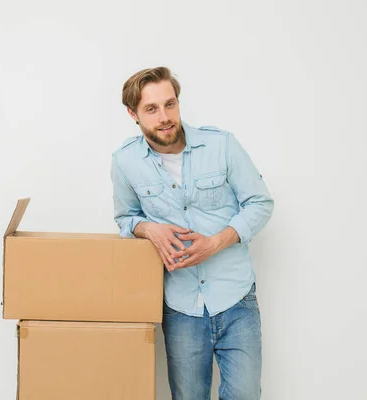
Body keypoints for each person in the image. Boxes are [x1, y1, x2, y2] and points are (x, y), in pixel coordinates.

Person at [111, 66, 274, 400]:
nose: (165, 116)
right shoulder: (125, 162)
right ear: (133, 114)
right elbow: (125, 218)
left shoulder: (222, 144)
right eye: (151, 109)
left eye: (170, 104)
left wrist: (216, 242)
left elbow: (260, 202)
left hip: (236, 298)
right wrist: (148, 228)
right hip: (180, 305)